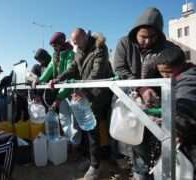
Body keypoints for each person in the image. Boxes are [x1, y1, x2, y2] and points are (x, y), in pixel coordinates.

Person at [113, 7, 176, 179]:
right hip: (132, 103)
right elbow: (119, 68)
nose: (147, 41)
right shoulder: (124, 43)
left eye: (152, 37)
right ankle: (141, 174)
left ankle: (157, 172)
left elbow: (173, 65)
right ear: (136, 32)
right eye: (143, 36)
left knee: (157, 143)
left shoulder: (165, 47)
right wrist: (141, 88)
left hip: (155, 104)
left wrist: (153, 93)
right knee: (137, 143)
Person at [50, 28, 113, 180]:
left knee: (93, 129)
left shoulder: (100, 48)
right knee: (85, 127)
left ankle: (95, 166)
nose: (76, 46)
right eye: (74, 43)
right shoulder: (80, 50)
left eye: (78, 42)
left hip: (99, 94)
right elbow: (73, 68)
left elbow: (96, 73)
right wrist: (59, 78)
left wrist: (83, 90)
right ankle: (91, 160)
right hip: (88, 93)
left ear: (85, 37)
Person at [154, 46, 196, 177]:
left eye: (168, 72)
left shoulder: (188, 80)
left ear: (181, 66)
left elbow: (184, 110)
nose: (164, 76)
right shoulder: (180, 76)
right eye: (161, 72)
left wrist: (172, 124)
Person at [32, 32, 80, 145]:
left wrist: (58, 98)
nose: (54, 48)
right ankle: (69, 141)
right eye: (52, 46)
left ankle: (76, 145)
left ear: (61, 43)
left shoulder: (70, 54)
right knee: (63, 118)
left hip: (71, 91)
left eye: (55, 45)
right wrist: (39, 80)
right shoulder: (55, 56)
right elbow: (49, 69)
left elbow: (68, 75)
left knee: (74, 120)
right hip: (61, 91)